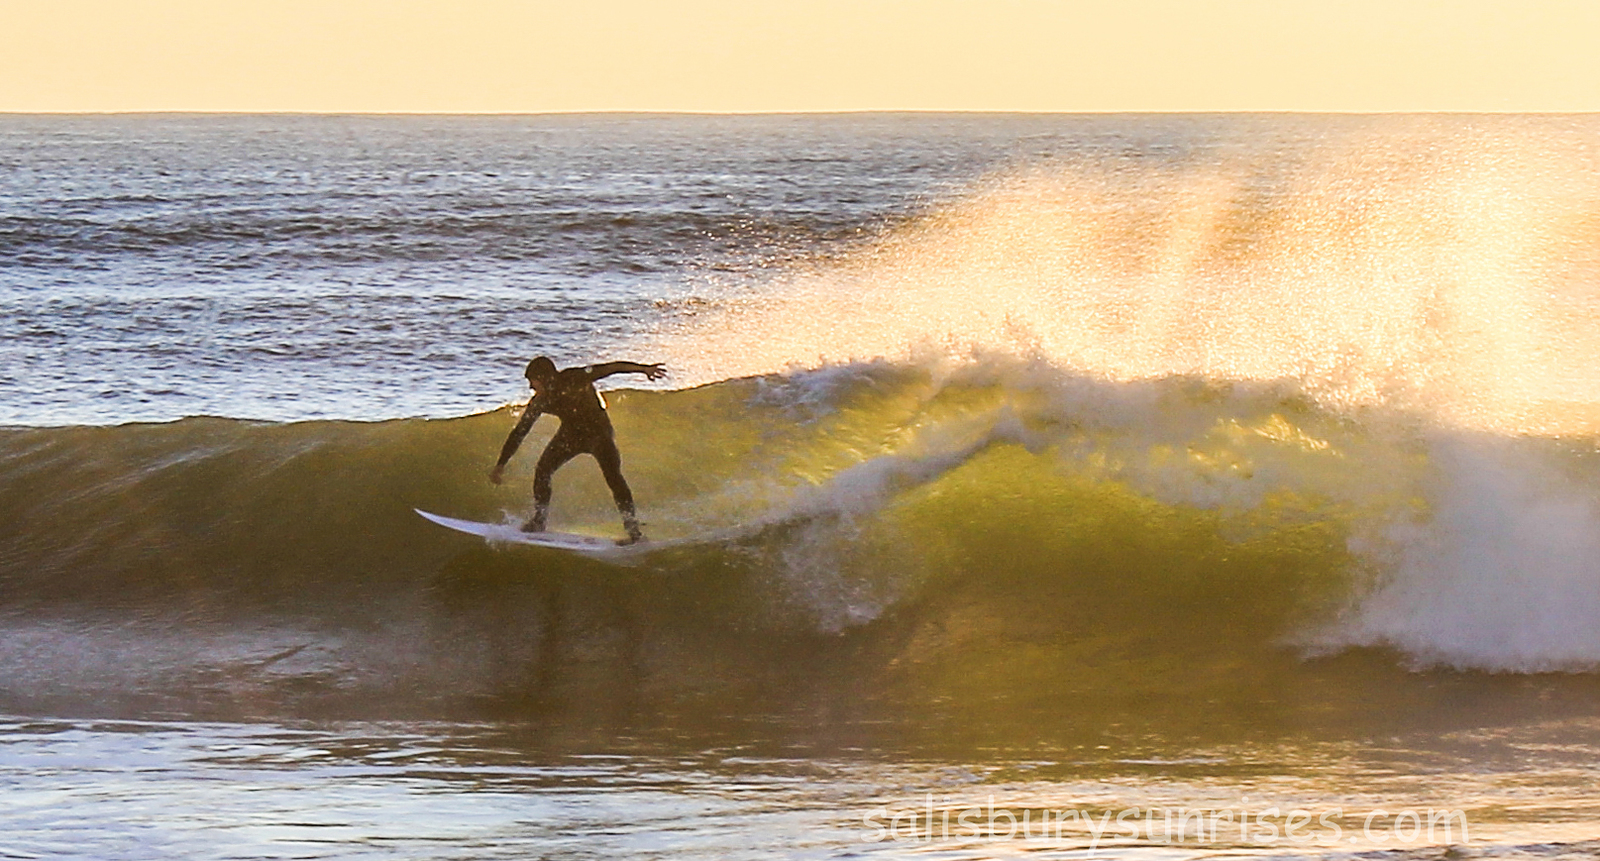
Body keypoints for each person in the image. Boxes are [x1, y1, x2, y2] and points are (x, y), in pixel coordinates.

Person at [490, 356, 666, 544]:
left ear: (545, 377)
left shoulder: (574, 377)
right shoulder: (541, 401)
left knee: (613, 477)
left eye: (532, 381)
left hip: (599, 433)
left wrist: (643, 369)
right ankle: (539, 521)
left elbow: (609, 368)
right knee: (543, 470)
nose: (531, 387)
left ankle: (634, 532)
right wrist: (501, 463)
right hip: (571, 435)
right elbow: (520, 431)